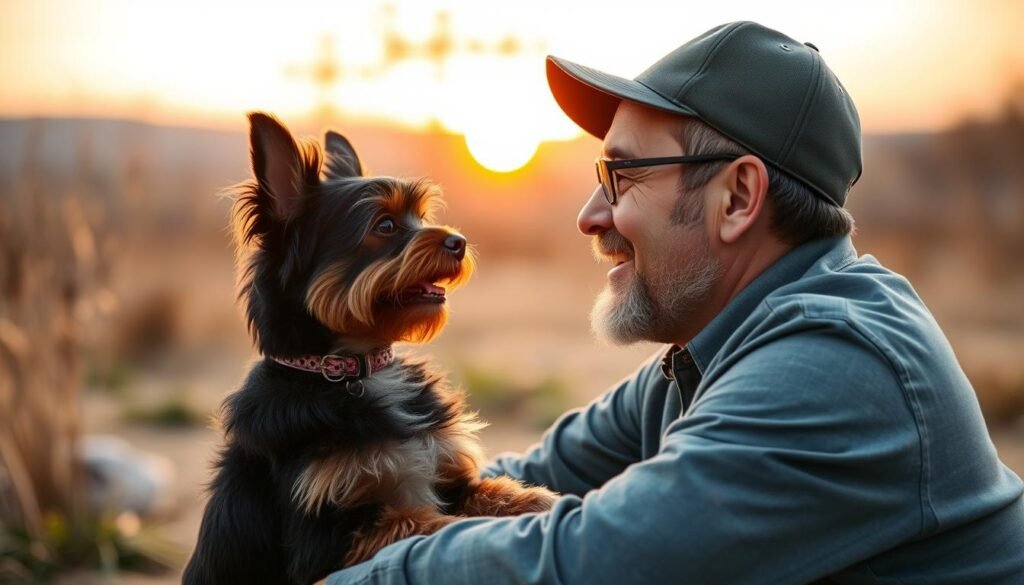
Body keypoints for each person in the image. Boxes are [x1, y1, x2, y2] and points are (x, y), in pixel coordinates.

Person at [327, 21, 1024, 584]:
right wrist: (335, 528)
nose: (590, 215)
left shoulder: (832, 367)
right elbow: (511, 484)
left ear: (738, 198)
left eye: (622, 176)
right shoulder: (714, 354)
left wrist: (354, 574)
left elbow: (586, 562)